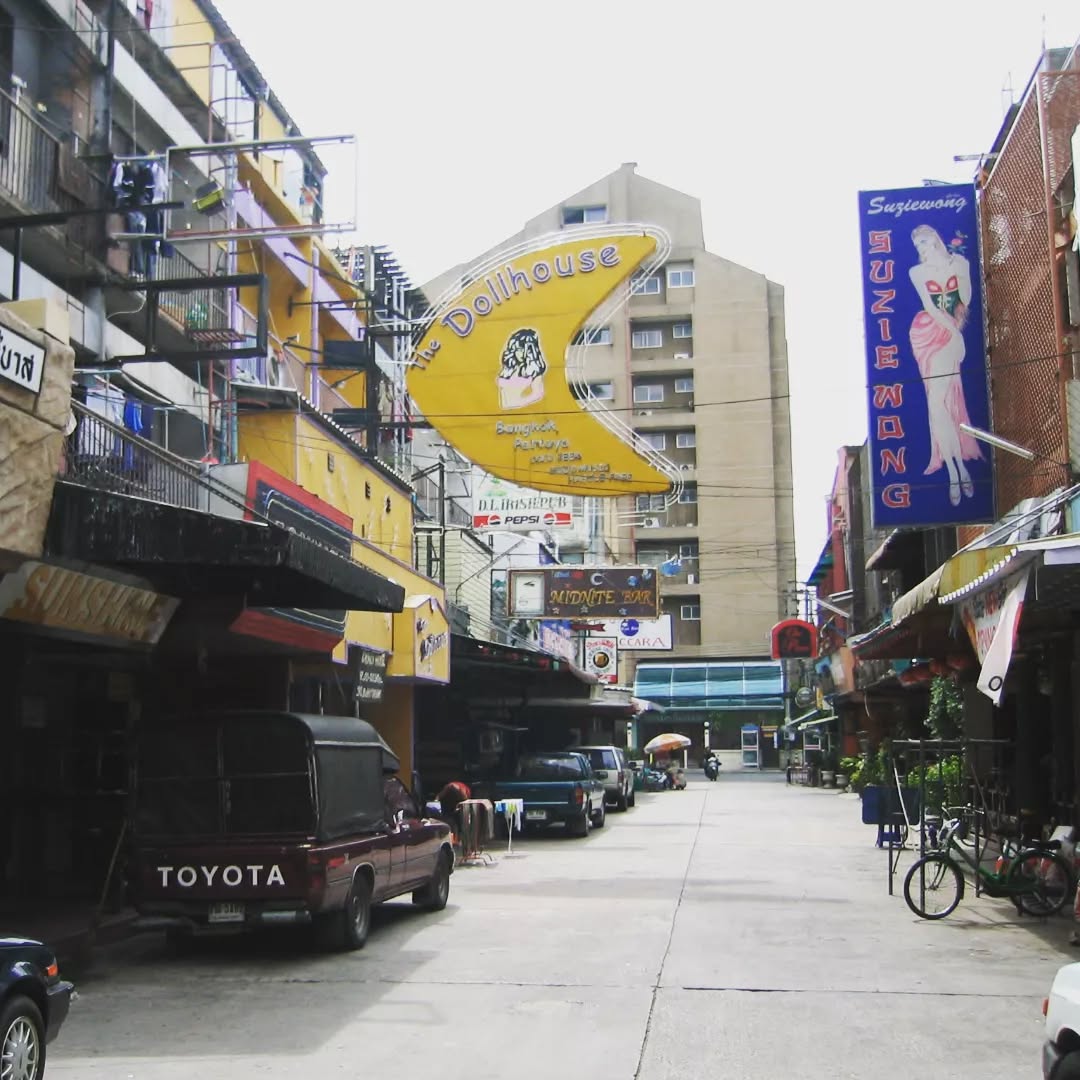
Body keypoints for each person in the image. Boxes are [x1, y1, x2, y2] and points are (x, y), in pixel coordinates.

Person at [907, 224, 983, 507]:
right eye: (919, 246)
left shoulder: (960, 263)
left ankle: (957, 469)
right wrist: (954, 334)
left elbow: (965, 300)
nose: (923, 249)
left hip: (951, 329)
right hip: (927, 333)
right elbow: (928, 306)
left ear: (936, 240)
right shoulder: (917, 272)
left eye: (926, 242)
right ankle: (954, 470)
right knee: (936, 401)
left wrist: (956, 333)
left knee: (944, 400)